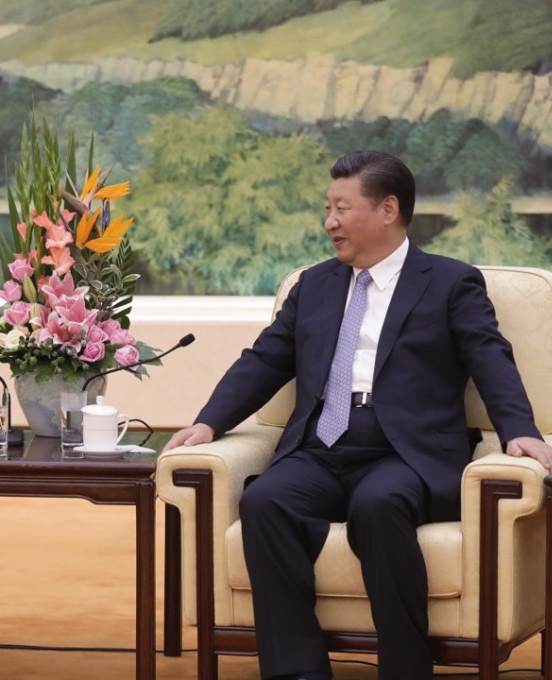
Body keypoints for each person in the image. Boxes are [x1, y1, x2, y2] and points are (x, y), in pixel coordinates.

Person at [166, 150, 552, 680]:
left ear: (388, 208)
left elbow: (490, 357)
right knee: (265, 500)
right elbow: (265, 360)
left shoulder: (448, 283)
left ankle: (404, 668)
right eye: (327, 209)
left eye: (341, 209)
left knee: (379, 504)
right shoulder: (315, 284)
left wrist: (520, 432)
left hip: (405, 451)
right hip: (322, 444)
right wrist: (209, 422)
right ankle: (299, 670)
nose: (330, 222)